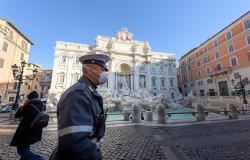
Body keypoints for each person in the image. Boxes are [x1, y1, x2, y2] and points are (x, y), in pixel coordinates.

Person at [50, 53, 110, 160]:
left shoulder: (88, 91)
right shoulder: (78, 94)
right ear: (90, 71)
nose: (105, 74)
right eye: (102, 70)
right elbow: (76, 142)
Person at [10, 91, 45, 160]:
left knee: (21, 150)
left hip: (25, 131)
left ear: (29, 98)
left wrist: (23, 106)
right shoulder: (43, 105)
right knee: (25, 147)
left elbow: (17, 115)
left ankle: (39, 158)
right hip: (36, 130)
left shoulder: (29, 106)